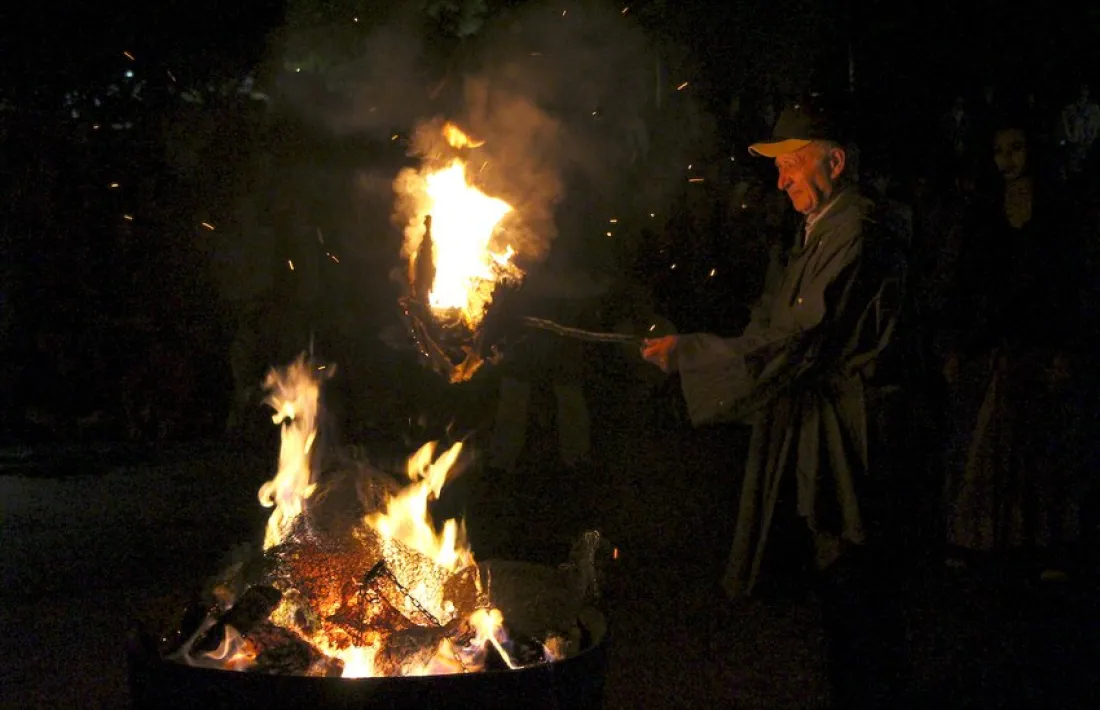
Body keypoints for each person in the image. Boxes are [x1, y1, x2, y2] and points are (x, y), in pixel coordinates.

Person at [640, 97, 910, 708]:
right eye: (779, 166)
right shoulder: (819, 229)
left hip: (857, 431)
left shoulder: (856, 233)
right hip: (830, 423)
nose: (780, 178)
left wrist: (693, 355)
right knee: (840, 582)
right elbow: (774, 319)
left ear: (835, 162)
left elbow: (799, 339)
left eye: (792, 163)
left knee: (859, 583)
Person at [940, 115, 1086, 577]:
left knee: (1041, 447)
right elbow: (966, 281)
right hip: (994, 343)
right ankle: (980, 538)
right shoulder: (982, 211)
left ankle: (1047, 543)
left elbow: (1070, 280)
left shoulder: (1057, 210)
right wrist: (957, 346)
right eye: (1000, 151)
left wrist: (1066, 347)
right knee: (987, 443)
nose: (1008, 160)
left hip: (1040, 341)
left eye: (1016, 148)